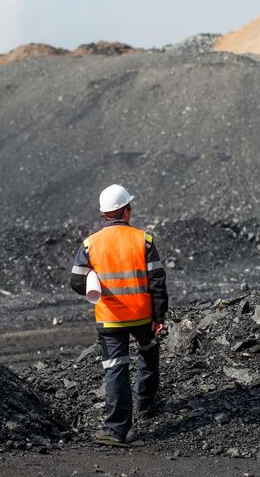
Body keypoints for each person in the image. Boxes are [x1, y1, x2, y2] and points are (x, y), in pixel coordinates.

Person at [70, 184, 168, 447]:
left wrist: (94, 281)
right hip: (142, 316)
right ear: (126, 212)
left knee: (116, 369)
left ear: (105, 215)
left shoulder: (90, 244)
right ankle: (146, 403)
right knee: (148, 353)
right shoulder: (143, 240)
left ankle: (116, 430)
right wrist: (159, 316)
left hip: (110, 319)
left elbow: (76, 282)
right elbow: (157, 281)